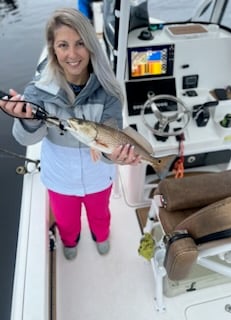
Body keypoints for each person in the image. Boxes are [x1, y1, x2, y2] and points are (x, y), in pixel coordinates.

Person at [0, 8, 141, 260]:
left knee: (101, 214)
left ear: (91, 47)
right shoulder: (37, 92)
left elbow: (110, 145)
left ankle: (102, 235)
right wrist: (25, 119)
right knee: (66, 220)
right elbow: (26, 139)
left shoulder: (109, 92)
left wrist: (117, 158)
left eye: (80, 44)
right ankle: (70, 240)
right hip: (59, 178)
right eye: (63, 45)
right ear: (53, 49)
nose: (73, 54)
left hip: (99, 177)